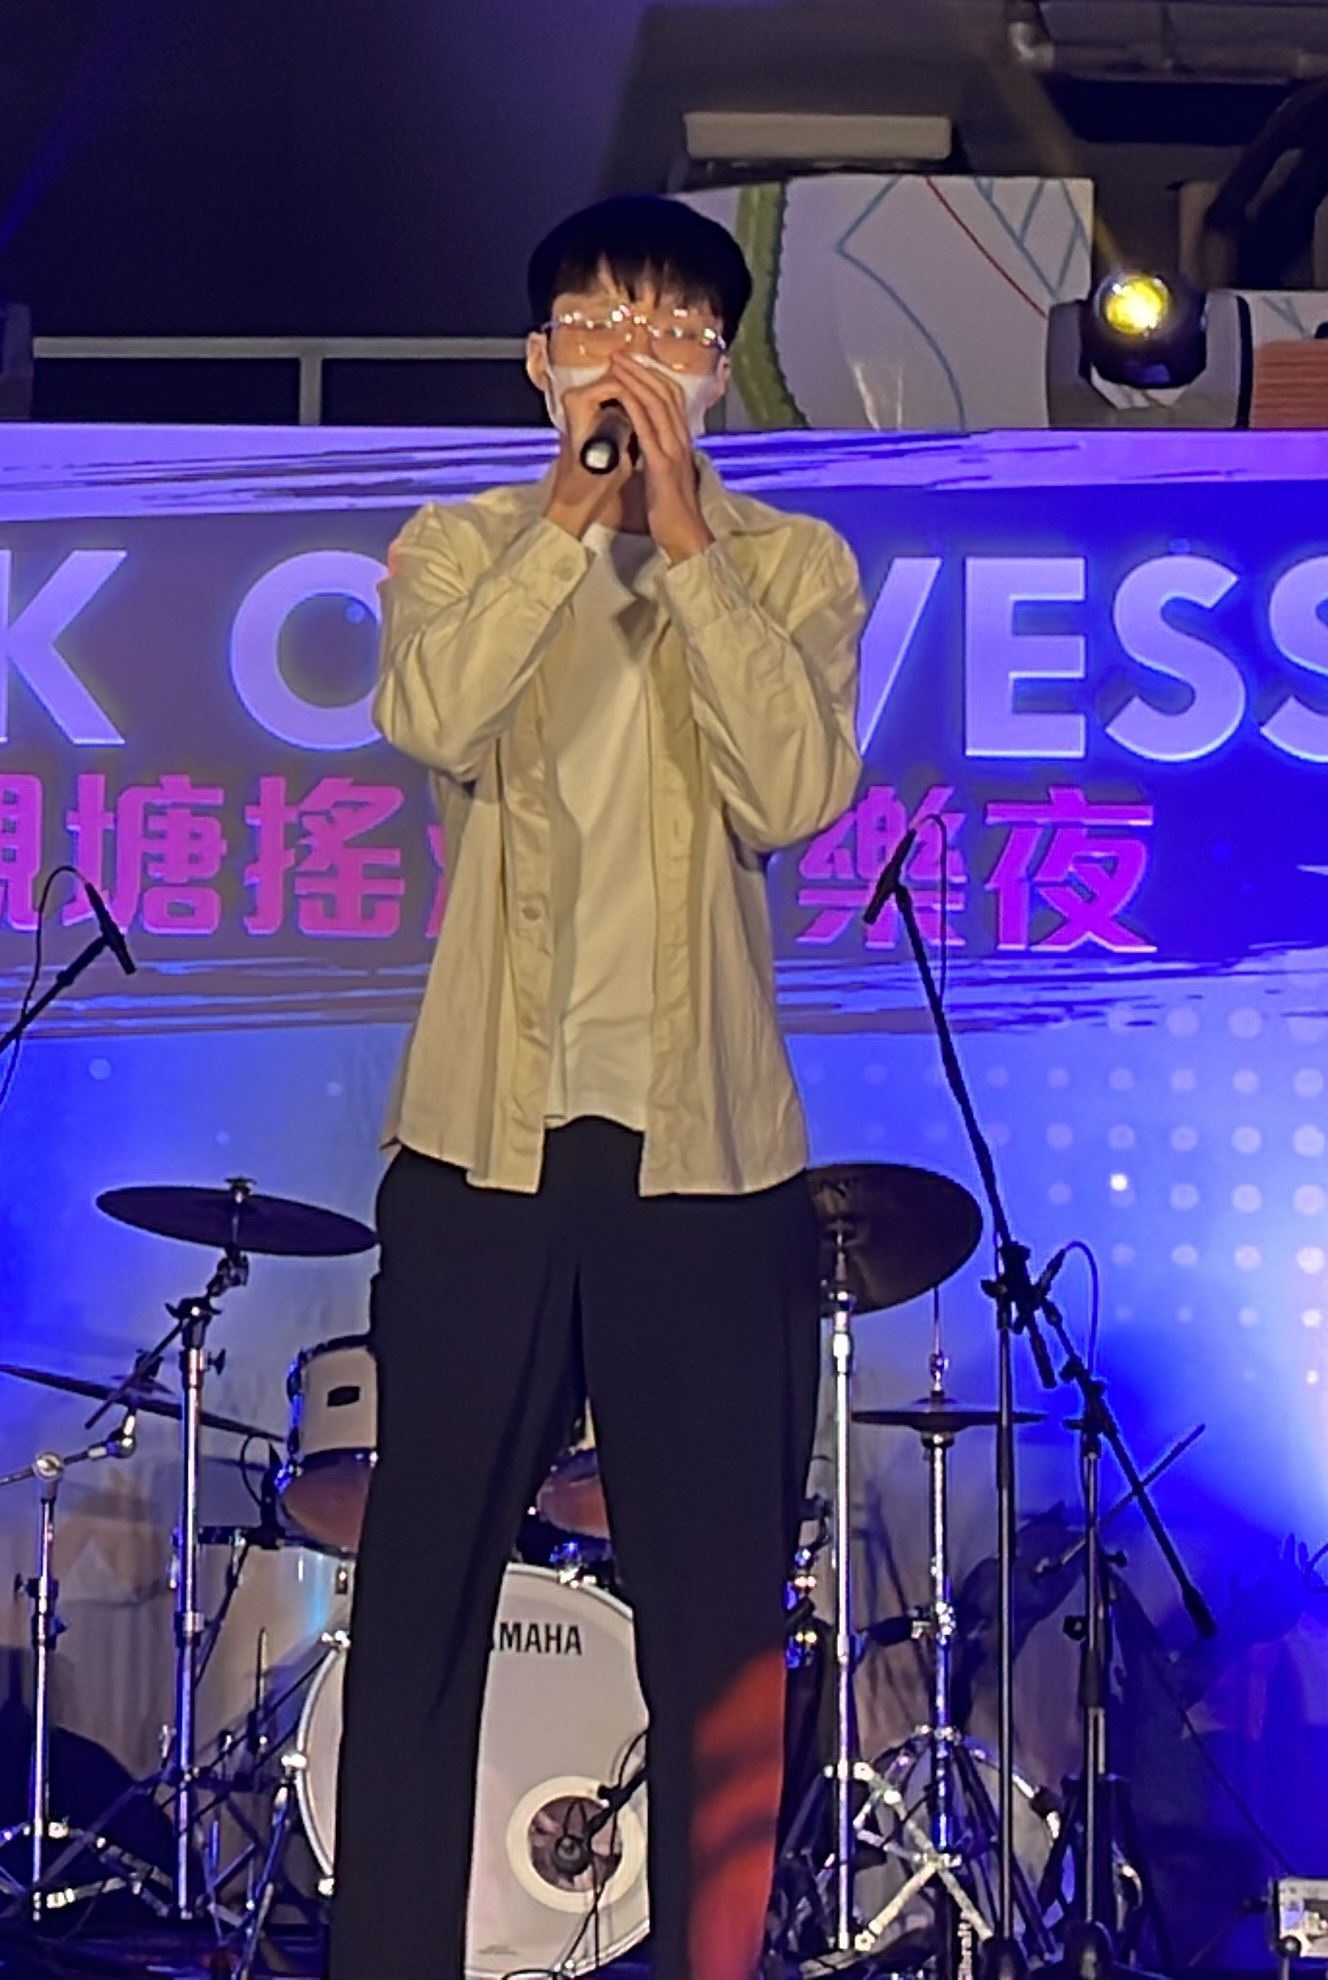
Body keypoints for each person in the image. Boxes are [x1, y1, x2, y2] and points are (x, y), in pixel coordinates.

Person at [328, 195, 866, 1980]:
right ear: (538, 363)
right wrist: (573, 519)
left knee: (717, 1633)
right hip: (484, 1154)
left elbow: (793, 792)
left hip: (707, 1171)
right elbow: (434, 718)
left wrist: (687, 538)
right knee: (422, 1603)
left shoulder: (792, 564)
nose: (631, 359)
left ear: (719, 370)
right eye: (596, 327)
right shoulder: (463, 543)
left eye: (671, 332)